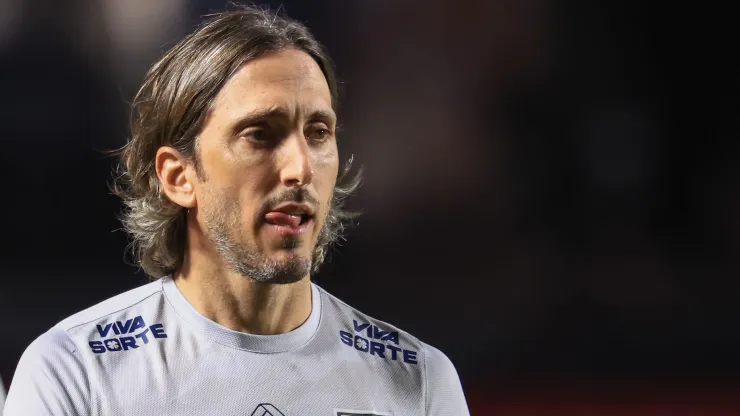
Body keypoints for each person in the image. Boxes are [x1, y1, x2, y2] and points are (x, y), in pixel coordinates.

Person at [3, 5, 469, 415]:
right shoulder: (75, 372)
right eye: (260, 134)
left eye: (319, 132)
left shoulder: (419, 381)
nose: (299, 167)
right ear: (178, 176)